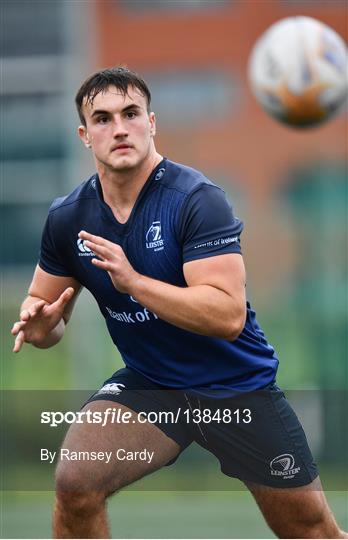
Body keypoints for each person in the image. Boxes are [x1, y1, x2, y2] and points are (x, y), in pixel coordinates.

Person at [12, 67, 346, 539]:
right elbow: (45, 319)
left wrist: (135, 283)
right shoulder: (68, 218)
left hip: (235, 388)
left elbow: (227, 316)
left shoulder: (196, 200)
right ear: (85, 136)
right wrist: (41, 324)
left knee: (311, 531)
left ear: (152, 123)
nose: (120, 128)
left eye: (131, 114)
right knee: (75, 482)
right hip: (152, 386)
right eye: (103, 119)